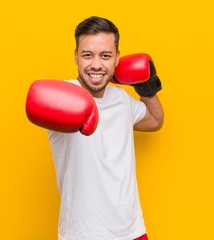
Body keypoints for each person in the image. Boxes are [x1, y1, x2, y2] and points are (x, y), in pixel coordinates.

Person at [26, 16, 164, 240]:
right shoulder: (62, 96)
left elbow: (155, 120)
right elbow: (36, 98)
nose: (97, 65)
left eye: (106, 55)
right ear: (75, 56)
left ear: (117, 58)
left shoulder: (121, 98)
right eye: (87, 55)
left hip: (131, 231)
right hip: (82, 234)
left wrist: (147, 88)